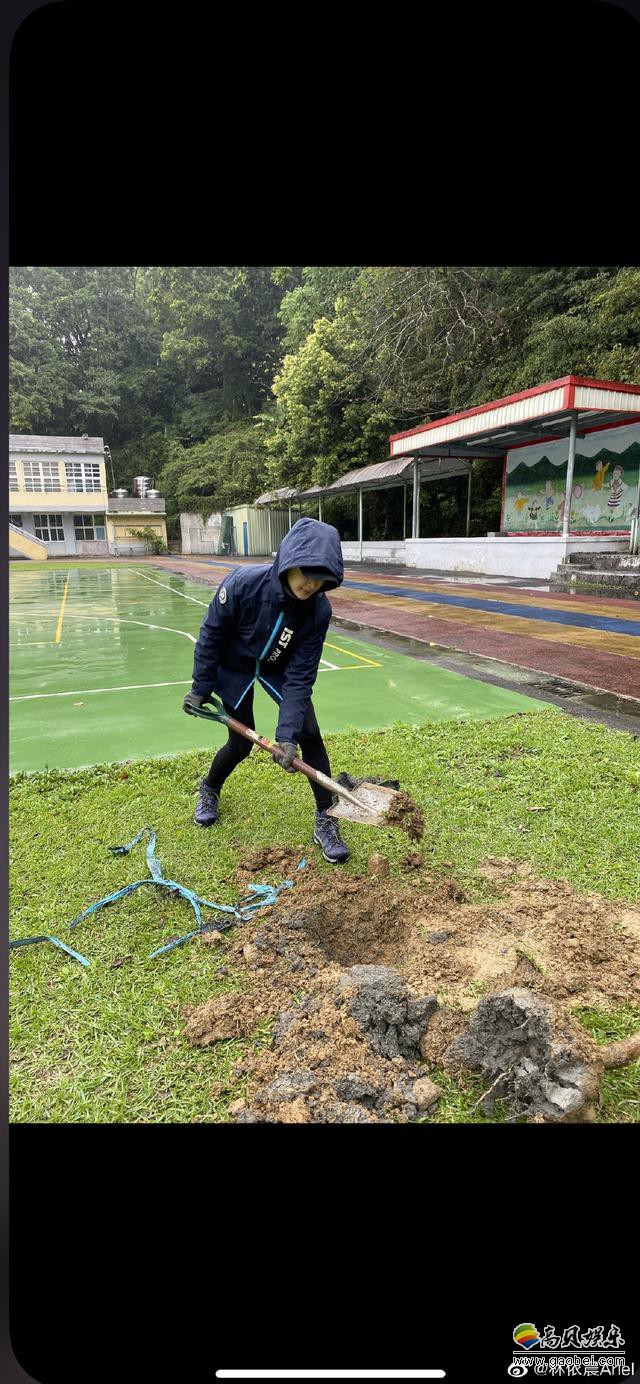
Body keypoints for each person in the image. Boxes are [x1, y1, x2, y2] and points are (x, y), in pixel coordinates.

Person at [183, 516, 350, 863]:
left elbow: (302, 675)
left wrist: (286, 735)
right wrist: (201, 686)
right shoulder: (243, 584)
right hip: (237, 665)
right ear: (290, 559)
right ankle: (210, 787)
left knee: (310, 735)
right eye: (308, 573)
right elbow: (211, 635)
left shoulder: (318, 611)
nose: (312, 585)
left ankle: (327, 818)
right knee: (240, 744)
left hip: (279, 667)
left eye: (321, 579)